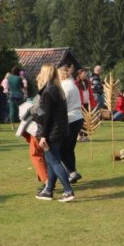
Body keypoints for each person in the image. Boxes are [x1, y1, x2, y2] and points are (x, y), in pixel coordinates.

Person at [33, 64, 76, 202]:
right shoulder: (57, 89)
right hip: (61, 130)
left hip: (52, 132)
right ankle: (49, 190)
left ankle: (68, 190)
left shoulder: (48, 91)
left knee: (53, 160)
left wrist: (43, 135)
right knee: (51, 160)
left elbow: (48, 117)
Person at [58, 64, 83, 185]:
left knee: (62, 149)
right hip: (77, 117)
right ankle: (72, 172)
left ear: (62, 74)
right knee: (69, 149)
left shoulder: (64, 86)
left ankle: (72, 172)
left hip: (70, 119)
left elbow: (62, 105)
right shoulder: (72, 84)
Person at [75, 68, 92, 141]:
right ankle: (79, 135)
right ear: (79, 74)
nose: (85, 75)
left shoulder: (87, 82)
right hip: (80, 104)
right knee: (80, 120)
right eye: (83, 73)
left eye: (85, 73)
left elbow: (90, 92)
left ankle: (85, 135)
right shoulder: (76, 83)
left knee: (86, 120)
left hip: (87, 103)